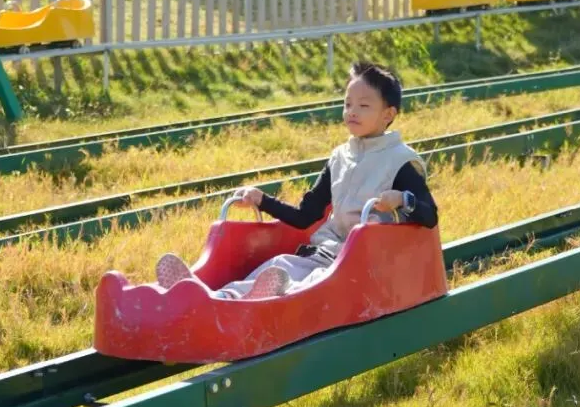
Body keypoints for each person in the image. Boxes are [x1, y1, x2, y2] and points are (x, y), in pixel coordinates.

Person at [156, 60, 438, 299]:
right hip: (326, 253)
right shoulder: (340, 157)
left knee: (313, 281)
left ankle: (255, 301)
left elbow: (430, 215)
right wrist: (262, 200)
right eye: (347, 103)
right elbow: (306, 216)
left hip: (365, 264)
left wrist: (403, 199)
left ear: (388, 114)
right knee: (280, 264)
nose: (352, 111)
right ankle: (215, 297)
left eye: (363, 105)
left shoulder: (400, 161)